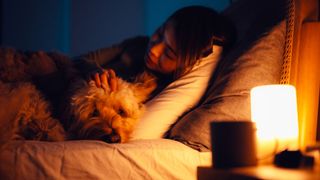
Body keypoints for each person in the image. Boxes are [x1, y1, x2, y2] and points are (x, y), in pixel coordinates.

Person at [74, 5, 236, 99]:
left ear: (184, 65)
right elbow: (80, 59)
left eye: (168, 54)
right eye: (160, 33)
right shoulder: (139, 43)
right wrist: (93, 70)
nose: (154, 49)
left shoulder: (161, 90)